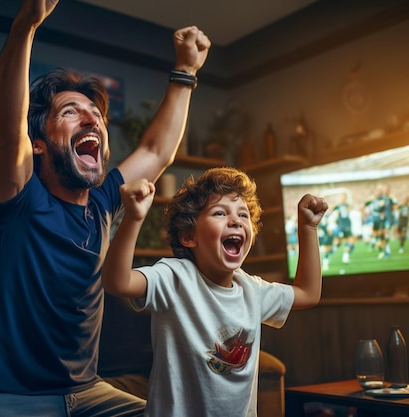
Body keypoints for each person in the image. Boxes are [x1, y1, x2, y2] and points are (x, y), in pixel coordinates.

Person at [0, 0, 211, 416]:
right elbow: (3, 134)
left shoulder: (104, 204)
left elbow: (156, 150)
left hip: (88, 395)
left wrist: (187, 71)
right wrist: (26, 26)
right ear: (37, 142)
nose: (92, 120)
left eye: (97, 115)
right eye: (71, 112)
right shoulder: (14, 197)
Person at [102, 167, 328, 416]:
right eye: (220, 213)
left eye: (243, 215)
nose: (235, 221)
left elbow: (308, 293)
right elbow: (117, 282)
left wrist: (308, 228)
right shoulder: (175, 276)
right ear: (189, 236)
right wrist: (133, 218)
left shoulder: (252, 289)